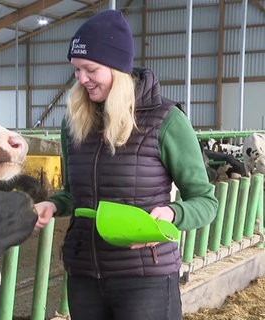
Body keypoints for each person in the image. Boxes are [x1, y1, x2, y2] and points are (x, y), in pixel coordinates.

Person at [34, 10, 218, 320]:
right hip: (84, 275)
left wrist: (172, 214)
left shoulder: (166, 120)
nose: (81, 79)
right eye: (76, 70)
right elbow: (74, 193)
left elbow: (205, 200)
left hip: (146, 279)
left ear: (117, 68)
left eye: (90, 69)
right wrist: (53, 205)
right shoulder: (74, 124)